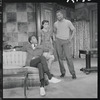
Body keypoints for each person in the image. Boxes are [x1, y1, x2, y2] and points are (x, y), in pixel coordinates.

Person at [53, 9, 76, 79]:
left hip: (66, 41)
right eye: (57, 15)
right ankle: (63, 72)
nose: (58, 16)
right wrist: (54, 39)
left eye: (59, 15)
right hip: (58, 41)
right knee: (60, 58)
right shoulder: (55, 23)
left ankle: (73, 73)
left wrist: (70, 38)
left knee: (68, 58)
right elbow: (54, 32)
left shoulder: (68, 22)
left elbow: (74, 30)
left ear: (62, 15)